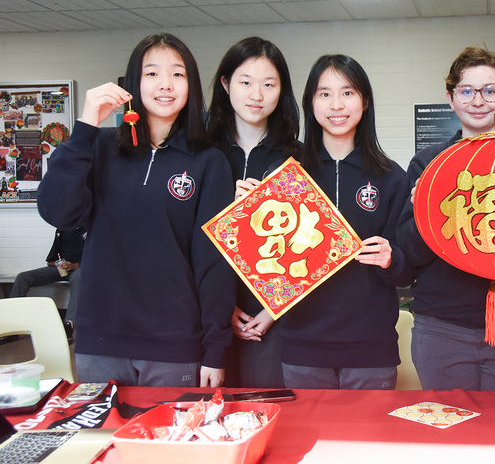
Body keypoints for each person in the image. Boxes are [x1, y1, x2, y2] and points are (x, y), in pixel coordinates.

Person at [37, 33, 236, 388]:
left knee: (172, 427)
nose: (165, 84)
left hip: (175, 343)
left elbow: (215, 263)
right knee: (104, 427)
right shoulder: (98, 147)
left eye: (177, 74)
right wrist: (85, 127)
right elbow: (58, 212)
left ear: (191, 85)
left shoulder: (209, 162)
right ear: (133, 84)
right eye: (151, 73)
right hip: (100, 340)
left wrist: (215, 348)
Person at [396, 47, 495, 391]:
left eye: (489, 90)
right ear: (450, 99)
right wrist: (427, 210)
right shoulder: (428, 164)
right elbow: (409, 255)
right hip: (442, 324)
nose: (478, 101)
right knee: (449, 421)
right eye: (466, 91)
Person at [280, 54, 413, 390]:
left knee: (368, 428)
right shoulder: (288, 175)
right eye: (324, 94)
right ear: (311, 103)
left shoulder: (391, 178)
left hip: (371, 350)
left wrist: (391, 258)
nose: (336, 104)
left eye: (348, 93)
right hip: (301, 347)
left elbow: (407, 269)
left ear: (364, 101)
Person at [207, 37, 301, 388]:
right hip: (207, 314)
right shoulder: (201, 154)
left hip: (274, 316)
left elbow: (309, 248)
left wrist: (273, 309)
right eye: (245, 82)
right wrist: (220, 306)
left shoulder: (298, 158)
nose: (256, 95)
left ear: (282, 90)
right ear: (226, 83)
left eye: (269, 84)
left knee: (272, 408)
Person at [10, 227, 86, 342]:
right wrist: (52, 261)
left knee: (78, 278)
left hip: (80, 268)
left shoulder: (90, 229)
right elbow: (53, 255)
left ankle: (68, 326)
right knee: (23, 277)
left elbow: (96, 257)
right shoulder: (62, 229)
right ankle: (12, 325)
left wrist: (76, 265)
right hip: (62, 268)